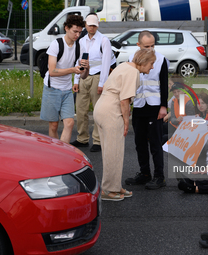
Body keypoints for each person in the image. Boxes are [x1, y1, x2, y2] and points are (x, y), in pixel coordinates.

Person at [94, 48, 156, 201]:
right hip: (111, 111)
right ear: (143, 62)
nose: (152, 67)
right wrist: (126, 122)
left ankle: (114, 186)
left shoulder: (124, 66)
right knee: (113, 152)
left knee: (110, 151)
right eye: (151, 63)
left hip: (101, 107)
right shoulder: (133, 72)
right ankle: (108, 190)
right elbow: (124, 101)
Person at [125, 30, 169, 190]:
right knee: (139, 143)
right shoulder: (131, 59)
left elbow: (164, 83)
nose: (150, 49)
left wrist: (163, 106)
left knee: (155, 144)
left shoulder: (161, 59)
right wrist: (128, 105)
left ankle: (159, 177)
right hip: (138, 106)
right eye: (146, 46)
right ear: (138, 45)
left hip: (154, 106)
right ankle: (144, 174)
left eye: (152, 46)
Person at [71, 13, 117, 152]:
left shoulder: (104, 40)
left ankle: (97, 140)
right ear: (85, 25)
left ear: (97, 25)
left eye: (94, 25)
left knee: (98, 111)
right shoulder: (81, 40)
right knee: (80, 110)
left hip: (97, 76)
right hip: (84, 76)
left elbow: (106, 64)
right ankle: (82, 138)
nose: (92, 28)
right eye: (89, 25)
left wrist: (102, 83)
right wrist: (76, 80)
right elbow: (78, 60)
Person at [40, 15, 86, 144]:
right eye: (75, 31)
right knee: (54, 125)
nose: (77, 35)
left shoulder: (79, 47)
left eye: (80, 32)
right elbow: (52, 71)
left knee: (70, 123)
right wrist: (73, 70)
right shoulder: (56, 44)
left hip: (66, 90)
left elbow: (83, 76)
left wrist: (85, 69)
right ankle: (54, 153)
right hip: (52, 88)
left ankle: (63, 152)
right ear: (66, 28)